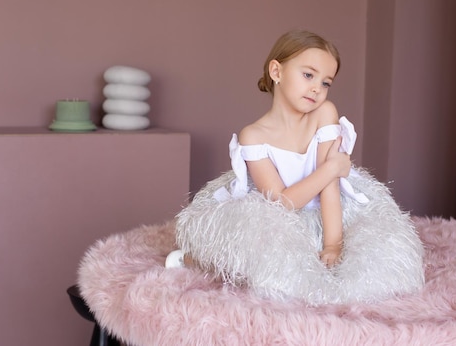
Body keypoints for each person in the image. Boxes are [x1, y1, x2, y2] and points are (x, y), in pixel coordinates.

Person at [169, 30, 425, 306]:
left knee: (377, 257)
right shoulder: (253, 136)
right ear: (276, 71)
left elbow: (331, 189)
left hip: (330, 210)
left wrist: (333, 245)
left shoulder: (323, 113)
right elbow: (281, 202)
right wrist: (331, 168)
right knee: (259, 258)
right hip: (281, 213)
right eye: (308, 75)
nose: (317, 88)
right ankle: (193, 260)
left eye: (326, 82)